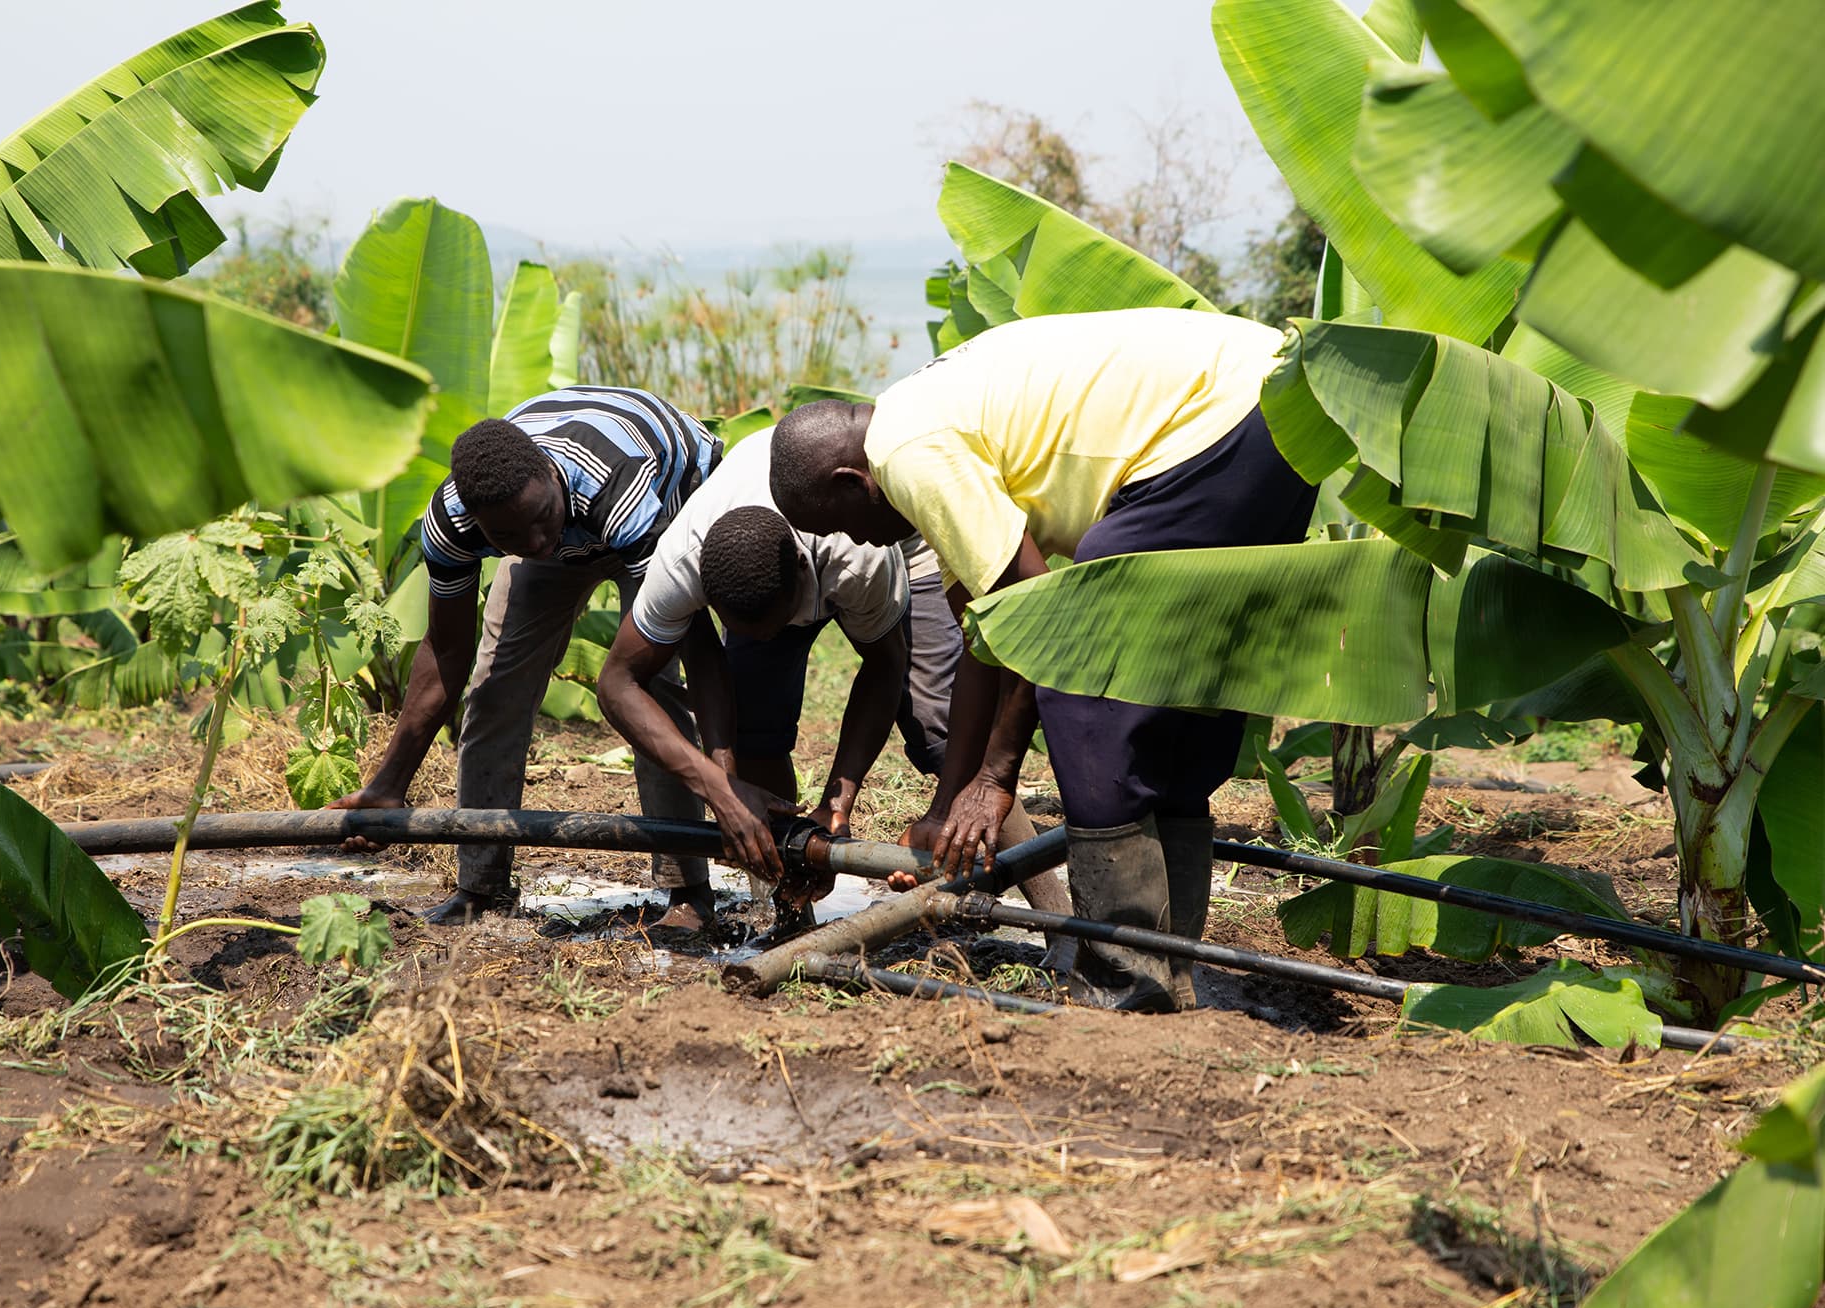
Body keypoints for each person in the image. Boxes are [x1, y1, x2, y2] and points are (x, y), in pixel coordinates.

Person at [768, 307, 1315, 1011]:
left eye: (845, 525)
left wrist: (996, 778)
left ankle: (1123, 985)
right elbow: (986, 638)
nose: (866, 544)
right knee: (1173, 689)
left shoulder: (910, 455)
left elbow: (1043, 620)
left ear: (852, 481)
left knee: (1085, 693)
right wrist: (946, 804)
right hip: (1275, 402)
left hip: (1222, 418)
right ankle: (1171, 979)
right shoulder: (920, 416)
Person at [597, 426, 1069, 915]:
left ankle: (1055, 917)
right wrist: (722, 787)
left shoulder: (858, 559)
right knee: (754, 730)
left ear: (803, 575)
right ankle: (788, 909)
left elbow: (887, 668)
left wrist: (838, 801)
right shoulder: (684, 561)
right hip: (761, 550)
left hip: (898, 541)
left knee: (944, 730)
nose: (766, 639)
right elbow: (616, 684)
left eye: (775, 625)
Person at [328, 387, 723, 932]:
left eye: (539, 519)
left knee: (651, 688)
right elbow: (447, 652)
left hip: (670, 502)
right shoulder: (453, 522)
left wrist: (723, 777)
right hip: (578, 521)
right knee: (494, 691)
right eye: (508, 536)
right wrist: (389, 783)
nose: (535, 543)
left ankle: (687, 890)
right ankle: (482, 887)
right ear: (479, 521)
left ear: (552, 477)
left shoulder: (617, 487)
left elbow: (684, 644)